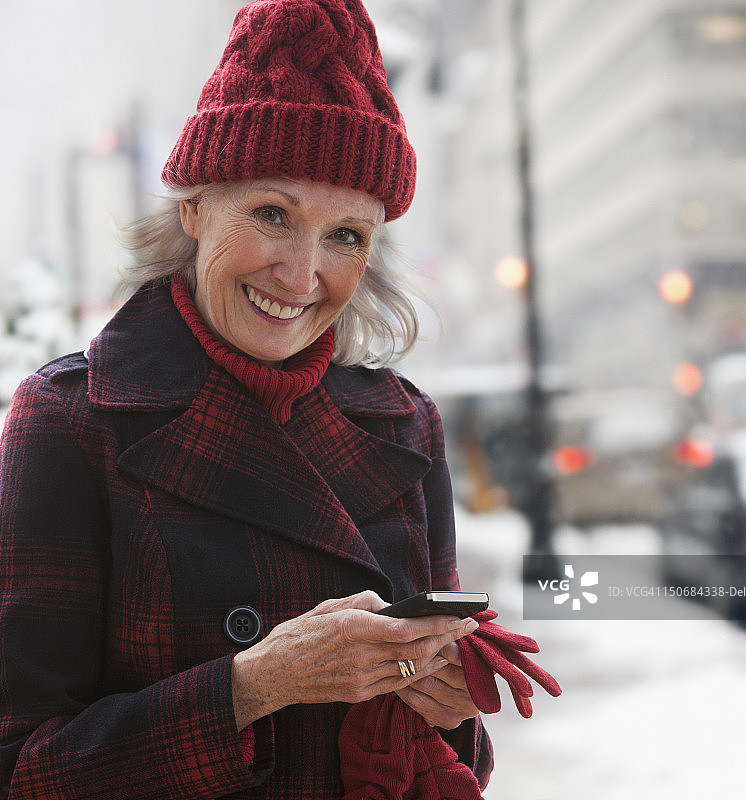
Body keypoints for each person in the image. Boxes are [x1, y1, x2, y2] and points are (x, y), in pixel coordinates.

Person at [0, 1, 495, 798]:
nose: (301, 276)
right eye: (273, 214)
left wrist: (451, 712)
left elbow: (448, 765)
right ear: (194, 208)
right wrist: (254, 685)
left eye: (346, 236)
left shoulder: (406, 425)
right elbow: (22, 768)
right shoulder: (73, 421)